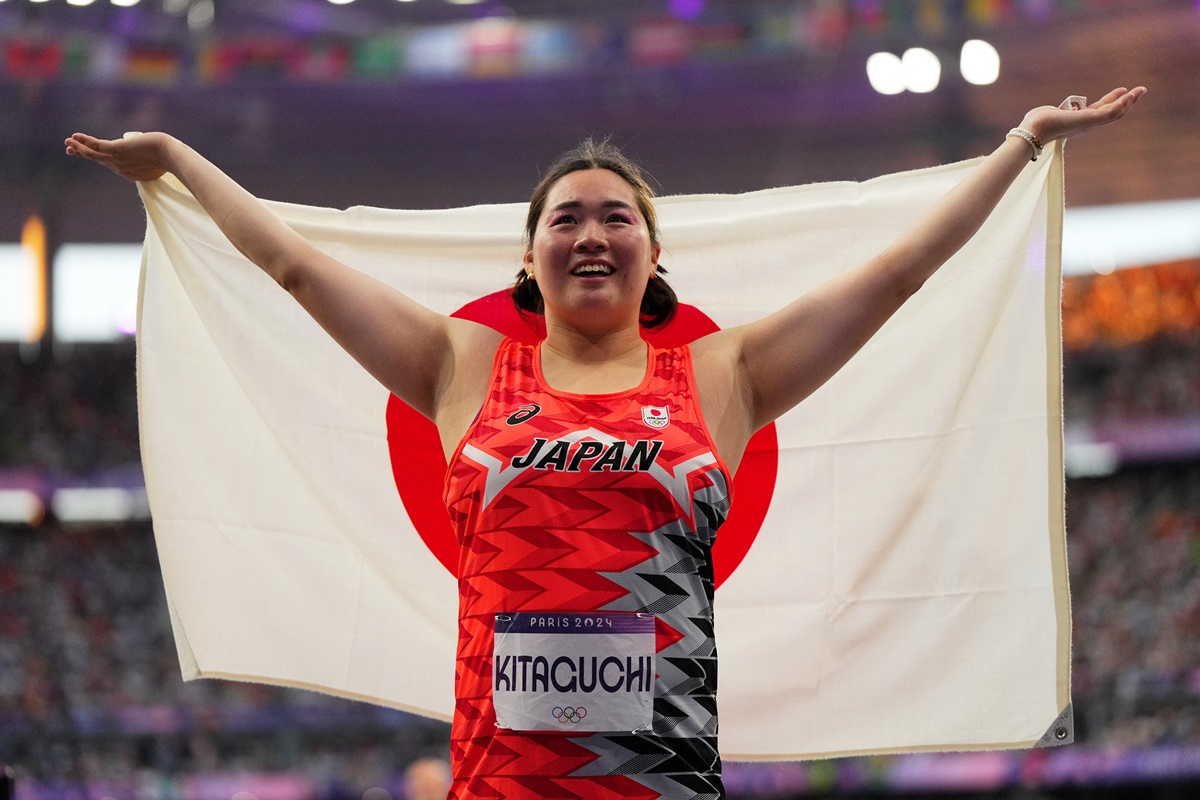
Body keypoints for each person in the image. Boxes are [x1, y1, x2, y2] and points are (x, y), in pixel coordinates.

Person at [66, 85, 1145, 799]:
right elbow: (298, 269)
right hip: (502, 783)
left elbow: (898, 277)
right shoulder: (462, 368)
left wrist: (1022, 145)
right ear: (528, 261)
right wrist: (177, 166)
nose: (591, 231)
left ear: (653, 253)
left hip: (663, 782)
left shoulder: (725, 377)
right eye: (566, 218)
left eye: (616, 216)